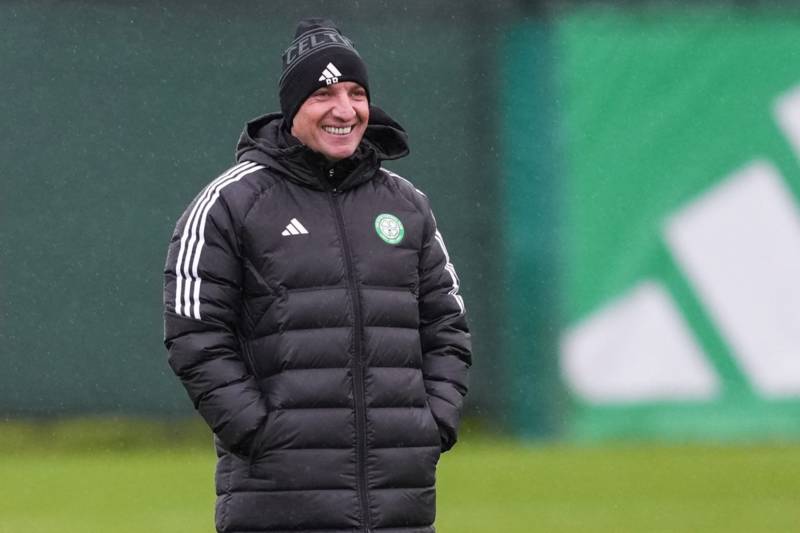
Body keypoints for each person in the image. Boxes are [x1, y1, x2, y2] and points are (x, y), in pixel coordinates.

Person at [163, 18, 471, 533]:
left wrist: (431, 423)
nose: (344, 110)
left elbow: (447, 327)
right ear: (292, 107)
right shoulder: (230, 203)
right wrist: (258, 432)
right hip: (278, 499)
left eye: (356, 93)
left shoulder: (406, 204)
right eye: (323, 94)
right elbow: (194, 333)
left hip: (400, 501)